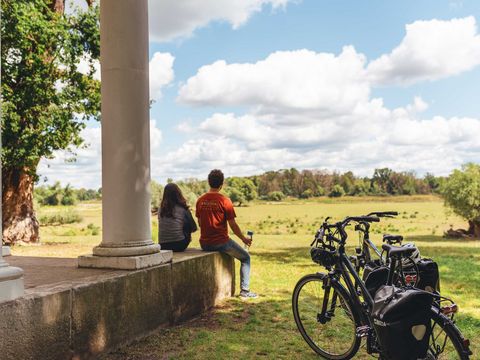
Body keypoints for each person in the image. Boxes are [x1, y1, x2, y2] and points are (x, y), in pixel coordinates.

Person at [196, 169, 257, 299]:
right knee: (246, 258)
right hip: (221, 242)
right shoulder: (225, 201)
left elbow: (200, 223)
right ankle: (245, 291)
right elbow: (233, 225)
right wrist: (244, 239)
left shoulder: (200, 200)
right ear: (221, 184)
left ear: (209, 182)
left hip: (204, 243)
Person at [158, 183, 197, 252]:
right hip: (179, 245)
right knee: (187, 223)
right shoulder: (183, 208)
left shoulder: (160, 209)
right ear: (178, 193)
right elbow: (193, 227)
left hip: (162, 245)